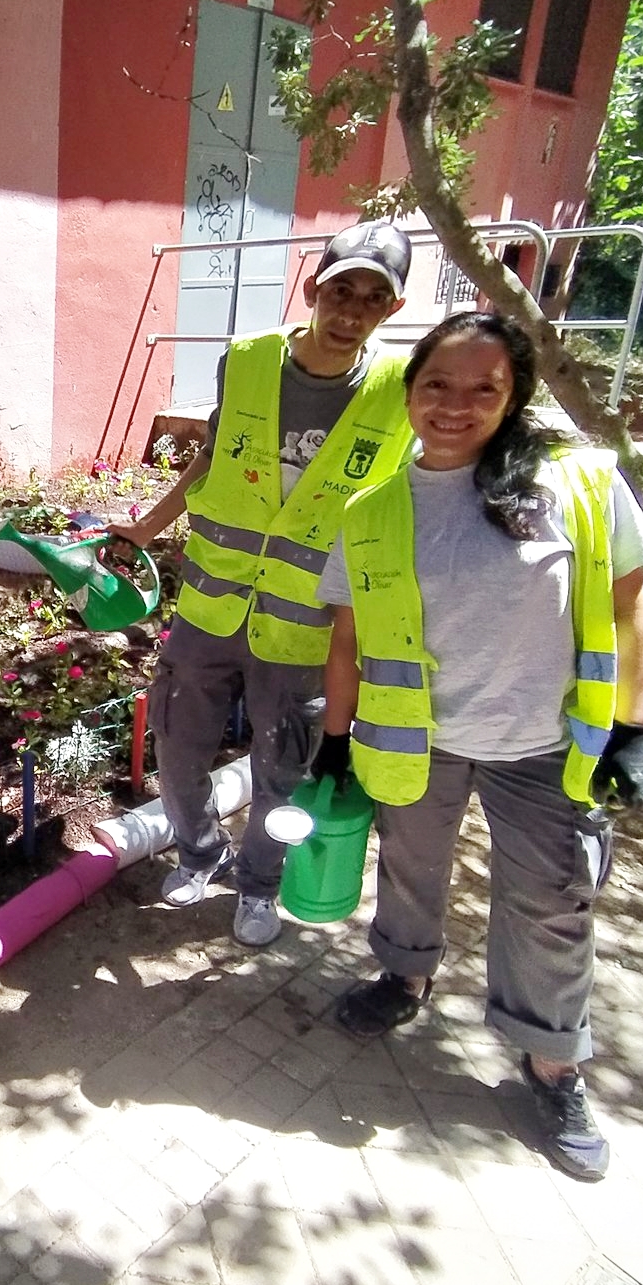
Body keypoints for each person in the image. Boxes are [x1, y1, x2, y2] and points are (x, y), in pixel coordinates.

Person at [314, 310, 643, 1181]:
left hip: (547, 746)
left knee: (551, 904)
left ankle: (552, 1062)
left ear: (513, 399)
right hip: (416, 744)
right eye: (437, 384)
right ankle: (404, 978)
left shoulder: (578, 484)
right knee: (408, 870)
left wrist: (632, 728)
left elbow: (629, 610)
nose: (456, 405)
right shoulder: (374, 509)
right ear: (409, 393)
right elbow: (349, 640)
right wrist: (332, 740)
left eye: (484, 389)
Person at [112, 221, 415, 947]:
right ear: (315, 290)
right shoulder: (247, 360)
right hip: (211, 609)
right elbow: (214, 458)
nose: (351, 312)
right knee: (179, 752)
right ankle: (200, 855)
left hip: (305, 624)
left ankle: (259, 885)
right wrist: (147, 528)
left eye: (373, 300)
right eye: (341, 291)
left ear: (390, 312)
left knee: (284, 769)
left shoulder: (401, 393)